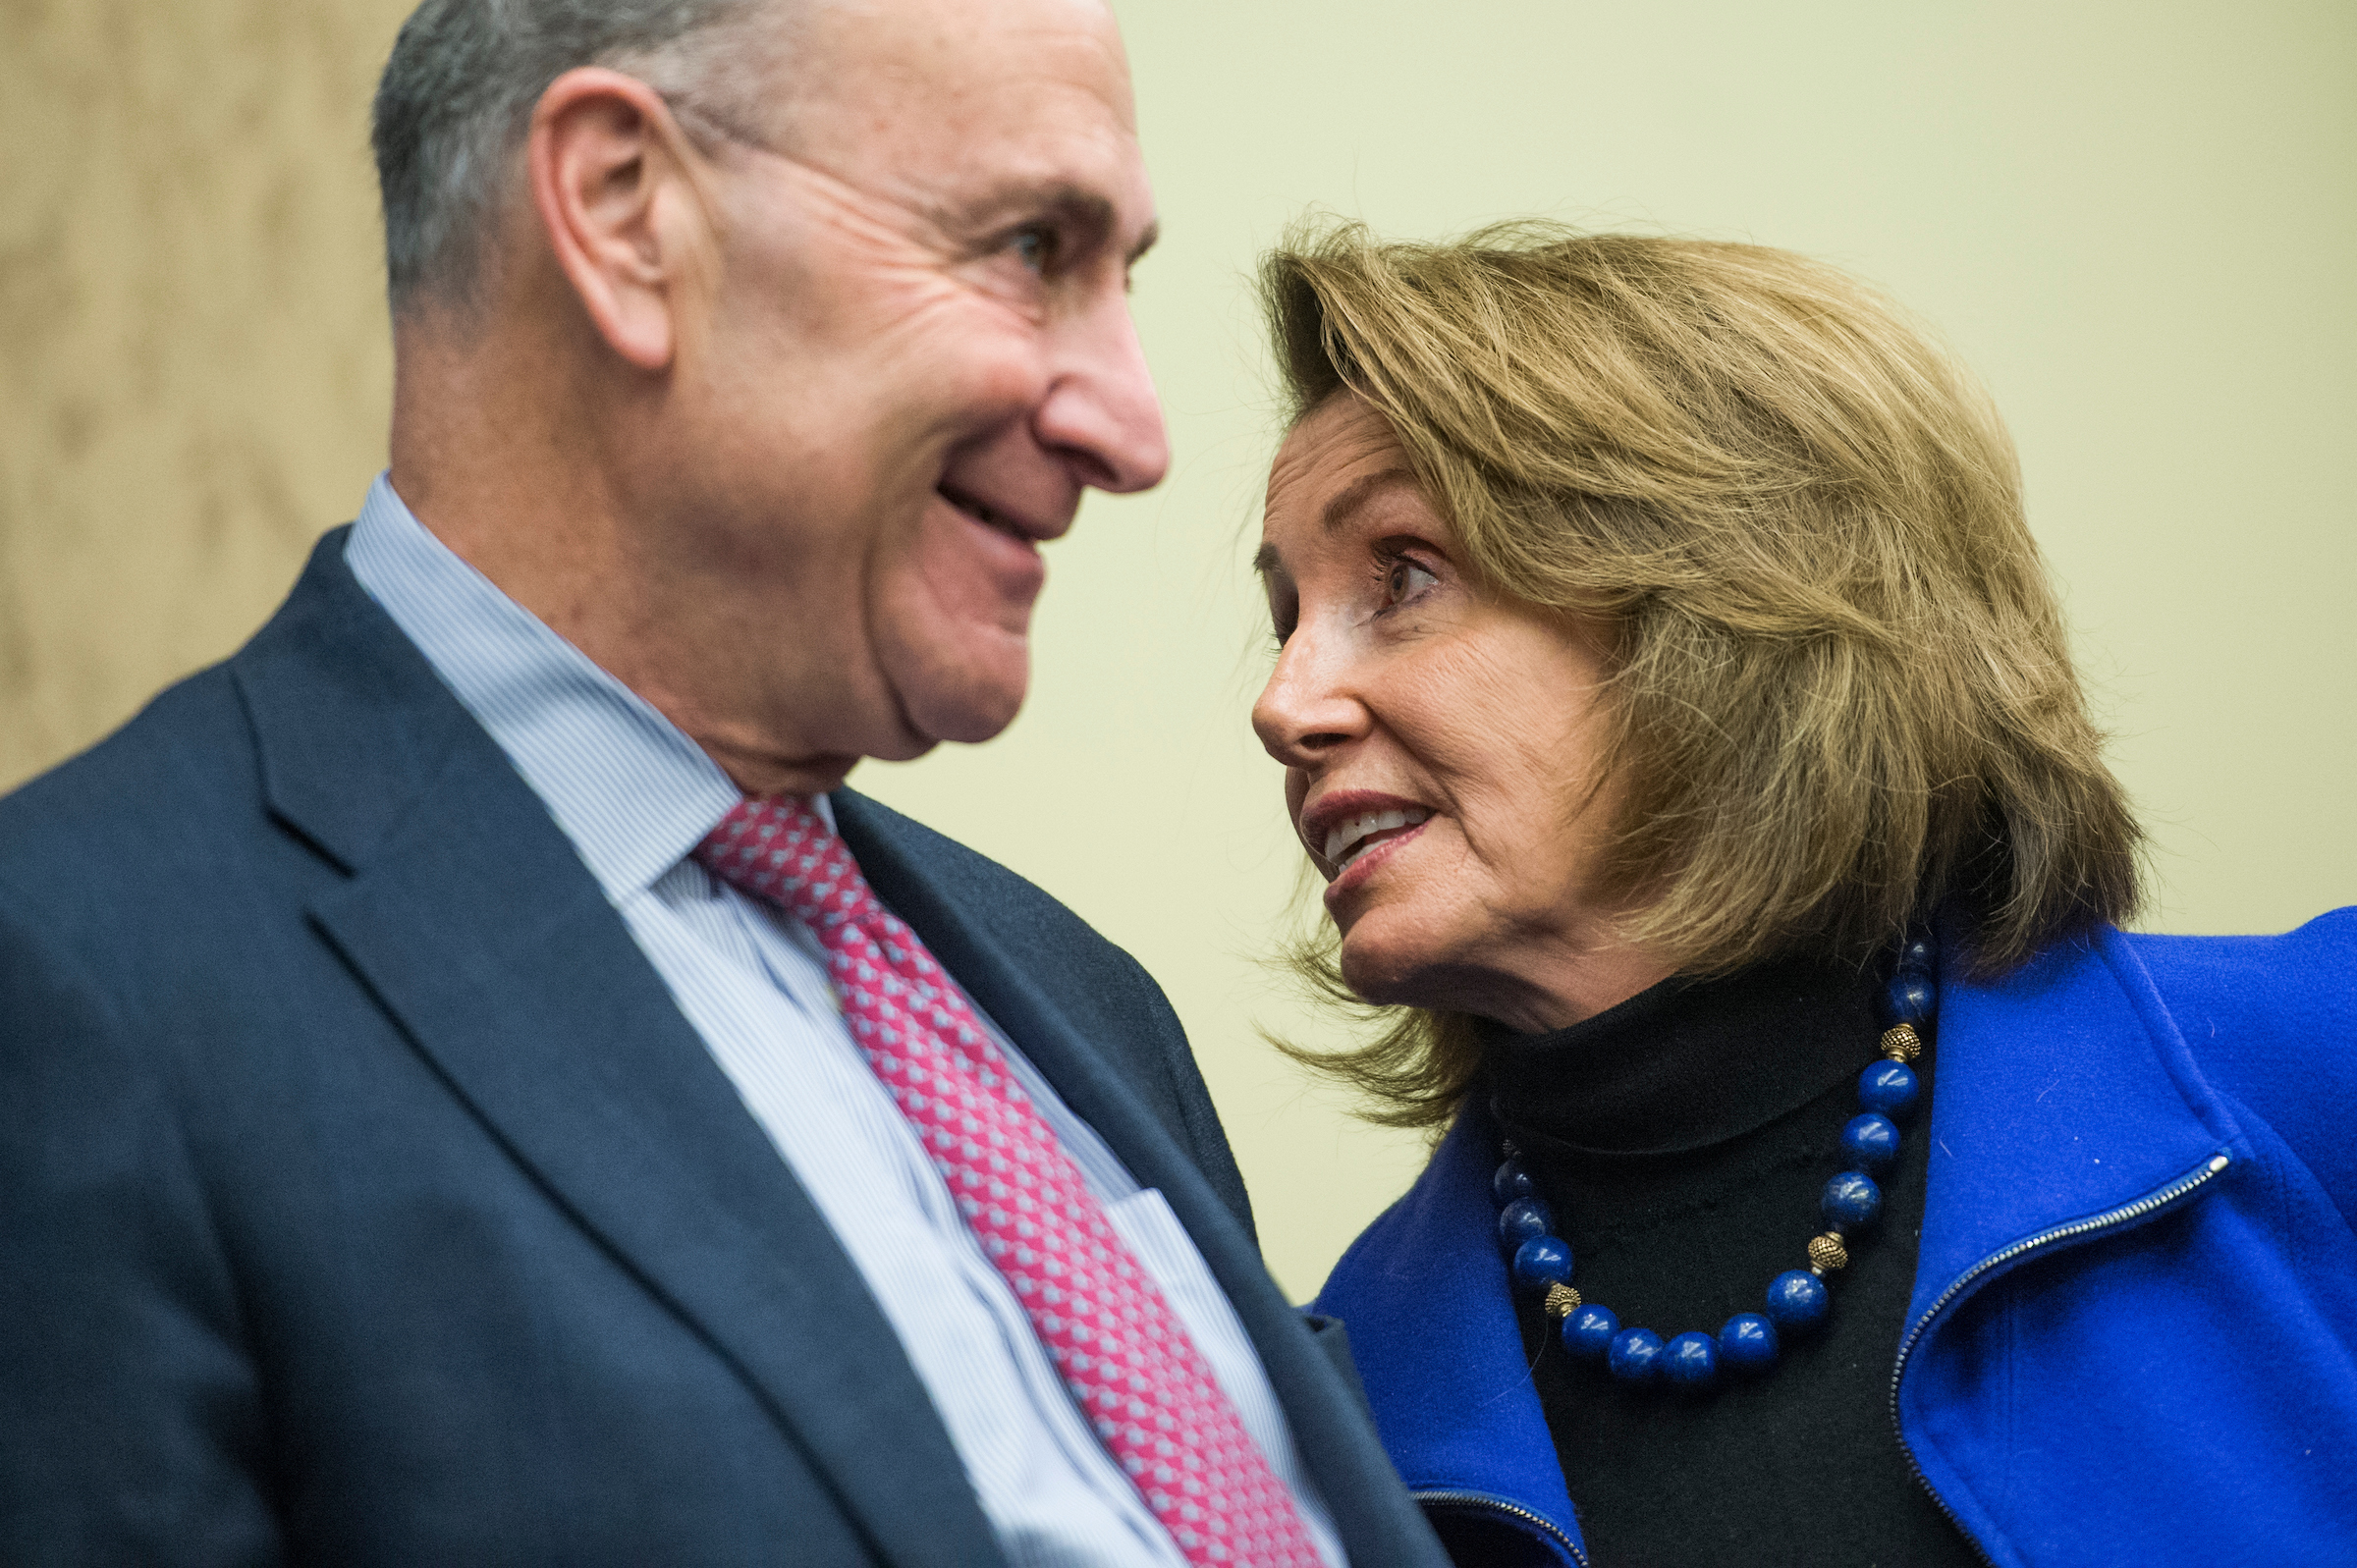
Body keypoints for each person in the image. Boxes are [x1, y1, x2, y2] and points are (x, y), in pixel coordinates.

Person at [0, 4, 1450, 1564]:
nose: (1135, 429)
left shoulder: (1079, 1000)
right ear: (627, 211)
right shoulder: (84, 984)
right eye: (1033, 250)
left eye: (1122, 281)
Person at [1247, 222, 2357, 1566]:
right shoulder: (1328, 1415)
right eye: (1284, 617)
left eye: (1404, 577)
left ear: (1729, 608)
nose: (1284, 702)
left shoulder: (2313, 1071)